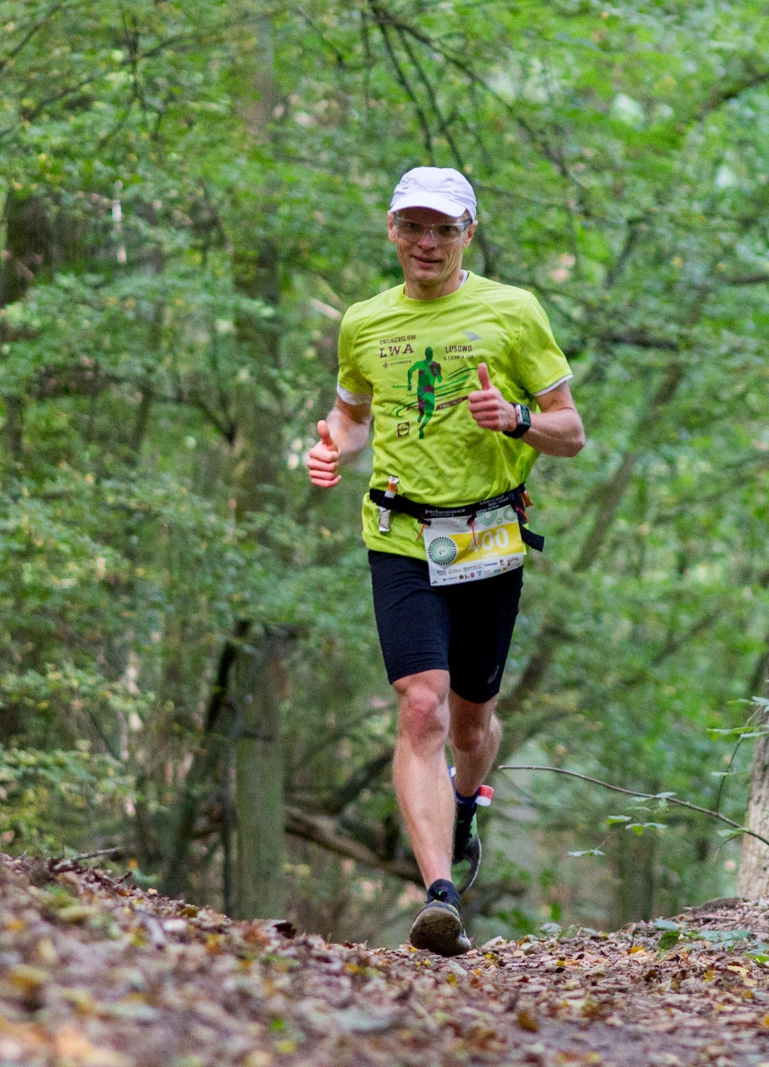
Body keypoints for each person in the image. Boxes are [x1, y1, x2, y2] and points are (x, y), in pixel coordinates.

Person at [305, 167, 585, 956]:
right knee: (420, 706)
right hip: (399, 535)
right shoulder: (363, 322)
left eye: (444, 229)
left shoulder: (513, 310)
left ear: (468, 233)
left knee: (470, 719)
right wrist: (332, 445)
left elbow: (571, 430)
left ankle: (466, 799)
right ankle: (440, 893)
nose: (427, 243)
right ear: (392, 230)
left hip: (489, 537)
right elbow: (352, 414)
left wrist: (518, 417)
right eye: (413, 227)